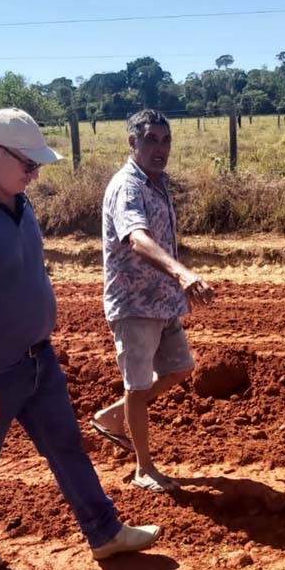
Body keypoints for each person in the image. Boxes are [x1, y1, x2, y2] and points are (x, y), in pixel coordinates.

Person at [0, 107, 160, 570]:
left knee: (66, 446)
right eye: (27, 164)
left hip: (36, 358)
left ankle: (104, 531)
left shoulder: (18, 201)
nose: (34, 174)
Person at [92, 109, 215, 494]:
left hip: (161, 301)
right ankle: (144, 469)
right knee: (137, 385)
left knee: (180, 367)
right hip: (134, 303)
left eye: (165, 140)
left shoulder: (157, 182)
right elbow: (137, 238)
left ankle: (113, 416)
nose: (160, 148)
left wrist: (176, 285)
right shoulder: (128, 186)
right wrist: (183, 274)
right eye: (151, 140)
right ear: (132, 143)